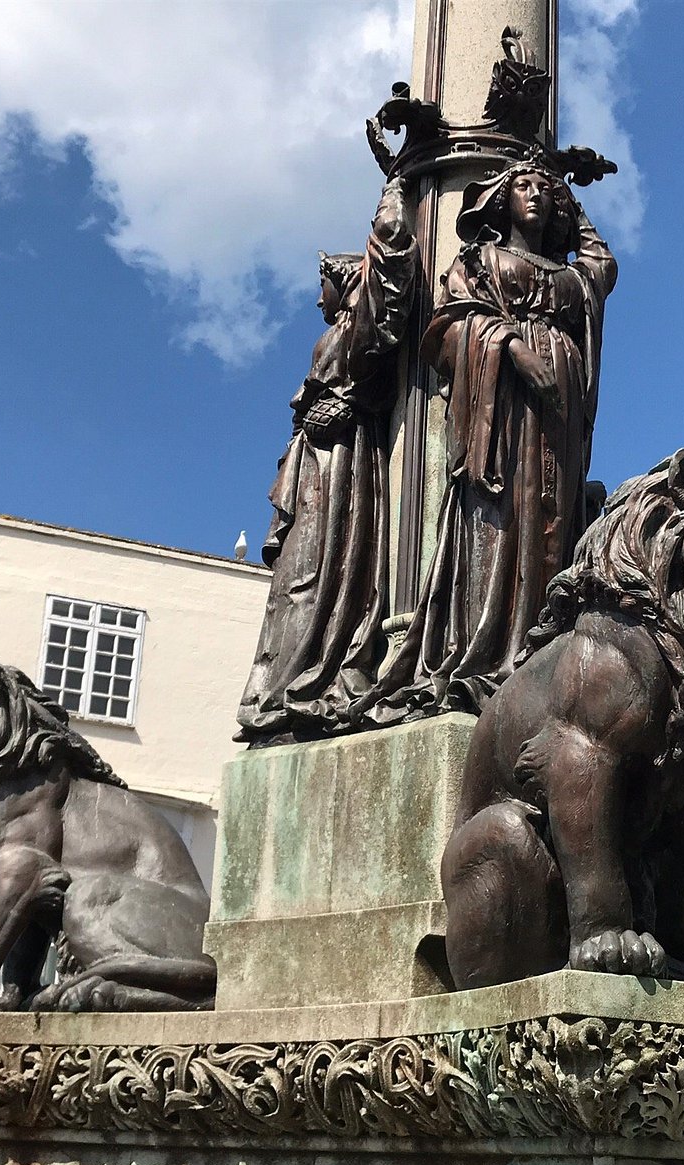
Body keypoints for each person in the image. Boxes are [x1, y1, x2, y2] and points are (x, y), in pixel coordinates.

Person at [355, 155, 616, 724]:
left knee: (554, 521)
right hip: (501, 413)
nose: (536, 197)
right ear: (501, 197)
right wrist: (511, 348)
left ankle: (545, 651)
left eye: (546, 193)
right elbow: (447, 324)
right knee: (503, 518)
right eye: (523, 185)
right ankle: (491, 651)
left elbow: (602, 261)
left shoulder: (572, 277)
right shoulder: (481, 259)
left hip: (559, 413)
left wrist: (568, 186)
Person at [237, 176, 418, 743]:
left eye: (325, 287)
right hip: (317, 462)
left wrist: (395, 194)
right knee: (295, 578)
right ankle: (282, 689)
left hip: (341, 463)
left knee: (318, 572)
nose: (319, 299)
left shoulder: (358, 325)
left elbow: (388, 295)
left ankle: (312, 678)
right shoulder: (334, 332)